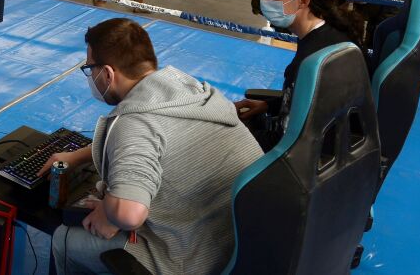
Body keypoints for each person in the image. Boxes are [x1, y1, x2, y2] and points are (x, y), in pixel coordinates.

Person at [46, 18, 262, 275]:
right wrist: (77, 156)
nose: (90, 76)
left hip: (195, 259)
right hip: (248, 243)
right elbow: (161, 138)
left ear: (108, 74)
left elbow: (130, 214)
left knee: (64, 239)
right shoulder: (190, 88)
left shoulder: (133, 123)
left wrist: (109, 213)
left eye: (89, 68)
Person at [236, 0, 364, 150]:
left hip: (305, 156)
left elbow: (286, 146)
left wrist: (235, 136)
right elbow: (308, 102)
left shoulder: (311, 62)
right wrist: (270, 105)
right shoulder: (331, 34)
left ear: (303, 0)